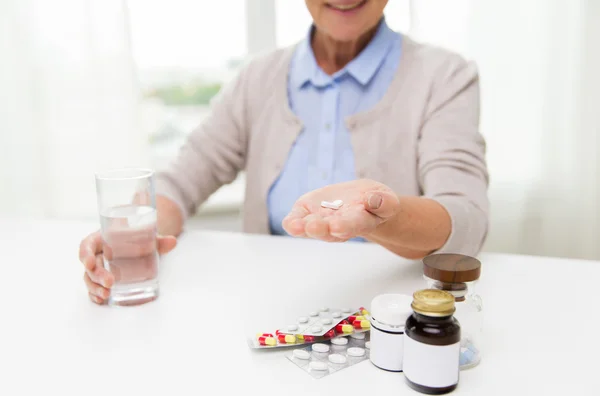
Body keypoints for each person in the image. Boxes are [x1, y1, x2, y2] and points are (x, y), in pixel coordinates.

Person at [79, 0, 489, 304]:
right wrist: (135, 228)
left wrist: (385, 216)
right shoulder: (258, 77)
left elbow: (466, 218)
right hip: (270, 309)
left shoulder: (445, 76)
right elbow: (183, 179)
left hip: (391, 315)